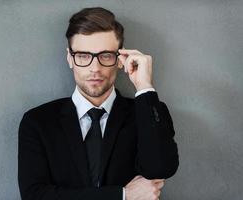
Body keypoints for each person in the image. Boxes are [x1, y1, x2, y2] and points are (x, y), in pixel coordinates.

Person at [18, 7, 179, 200]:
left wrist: (144, 85)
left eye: (106, 55)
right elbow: (34, 196)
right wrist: (123, 195)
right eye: (84, 56)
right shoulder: (38, 122)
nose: (95, 68)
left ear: (120, 60)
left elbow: (160, 168)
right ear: (70, 59)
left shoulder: (147, 112)